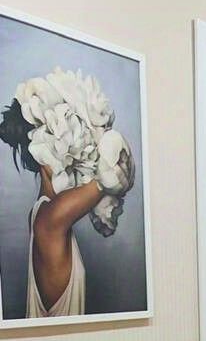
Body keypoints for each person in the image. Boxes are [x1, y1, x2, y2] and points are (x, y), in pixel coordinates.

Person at [0, 96, 132, 318]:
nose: (77, 154)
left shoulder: (43, 212)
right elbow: (116, 172)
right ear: (42, 151)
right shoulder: (51, 218)